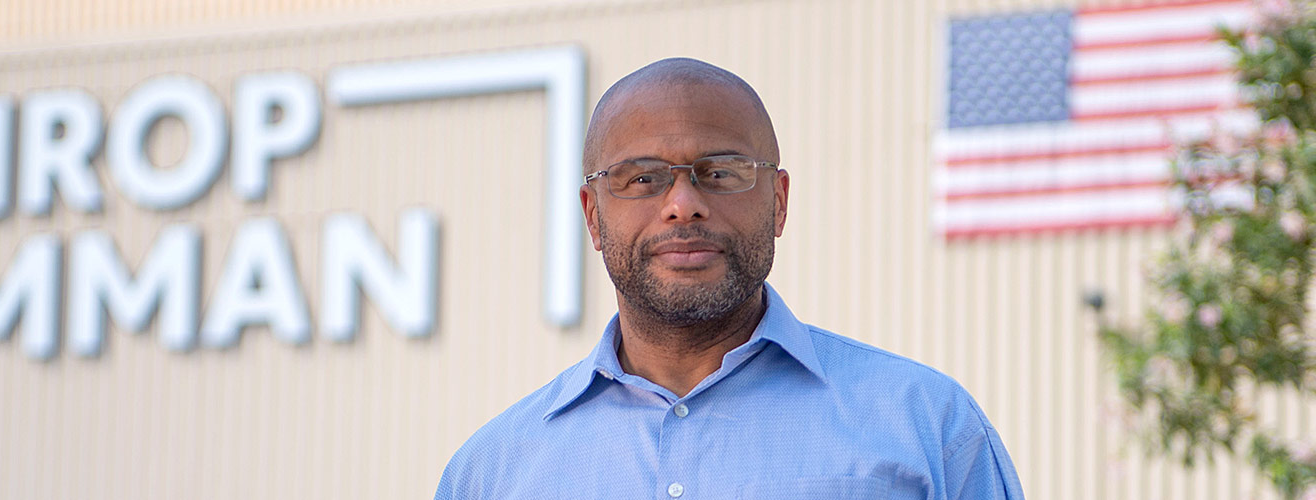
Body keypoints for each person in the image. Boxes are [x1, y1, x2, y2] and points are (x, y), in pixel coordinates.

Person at [433, 58, 1024, 499]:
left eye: (721, 172)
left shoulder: (928, 428)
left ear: (779, 201)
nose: (683, 204)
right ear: (592, 214)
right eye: (643, 178)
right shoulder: (490, 475)